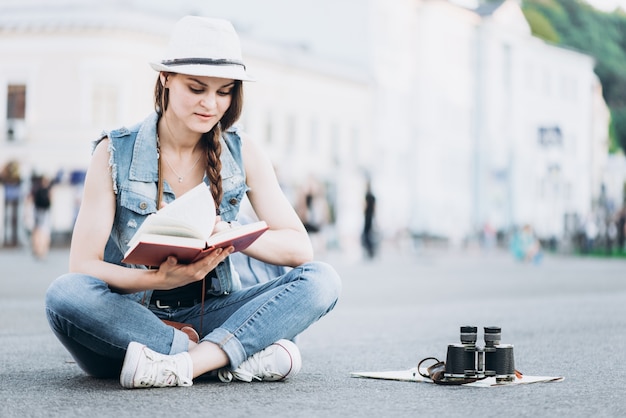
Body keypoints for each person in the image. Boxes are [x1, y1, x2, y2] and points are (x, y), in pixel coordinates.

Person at [45, 16, 341, 389]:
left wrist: (231, 234)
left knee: (322, 279)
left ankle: (189, 363)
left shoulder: (243, 151)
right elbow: (82, 265)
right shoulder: (113, 151)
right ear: (166, 79)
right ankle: (225, 355)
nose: (210, 104)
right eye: (197, 88)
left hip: (210, 312)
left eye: (224, 91)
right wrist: (157, 279)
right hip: (128, 321)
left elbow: (300, 248)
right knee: (64, 295)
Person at [31, 175, 53, 259]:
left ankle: (38, 250)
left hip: (38, 211)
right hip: (44, 212)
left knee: (38, 231)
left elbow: (31, 199)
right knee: (43, 232)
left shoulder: (36, 188)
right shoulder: (48, 190)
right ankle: (42, 250)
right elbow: (51, 201)